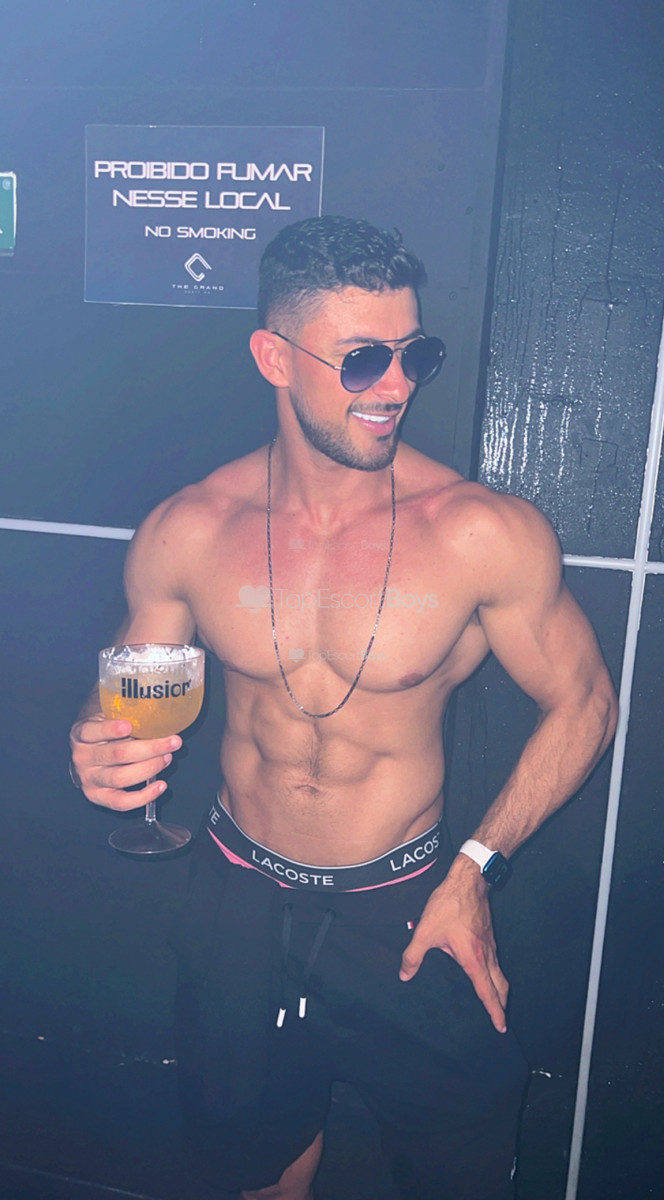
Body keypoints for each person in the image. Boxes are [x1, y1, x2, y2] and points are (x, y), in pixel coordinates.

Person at [69, 215, 618, 1200]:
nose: (397, 386)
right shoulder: (191, 527)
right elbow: (130, 692)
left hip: (407, 909)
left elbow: (584, 704)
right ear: (274, 358)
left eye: (415, 355)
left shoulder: (479, 533)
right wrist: (95, 742)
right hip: (237, 898)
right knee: (257, 1170)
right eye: (363, 359)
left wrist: (476, 870)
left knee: (459, 1174)